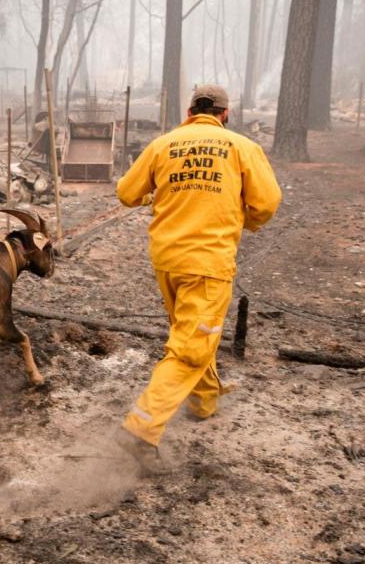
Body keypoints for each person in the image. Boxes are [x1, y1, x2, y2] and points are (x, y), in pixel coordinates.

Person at [113, 84, 282, 474]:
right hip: (208, 262)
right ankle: (140, 429)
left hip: (167, 259)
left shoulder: (162, 145)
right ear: (225, 114)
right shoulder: (241, 148)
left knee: (190, 332)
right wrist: (248, 221)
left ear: (189, 111)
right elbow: (267, 202)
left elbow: (126, 193)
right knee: (192, 345)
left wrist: (155, 194)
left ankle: (203, 402)